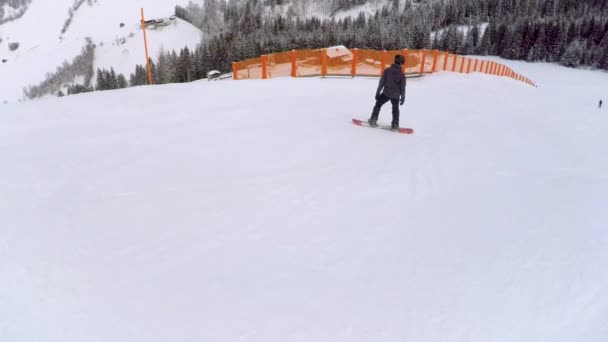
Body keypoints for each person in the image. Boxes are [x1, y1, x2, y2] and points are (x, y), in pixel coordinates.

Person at [368, 54, 406, 130]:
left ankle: (373, 119)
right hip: (395, 96)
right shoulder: (402, 74)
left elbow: (381, 82)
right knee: (395, 110)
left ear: (394, 61)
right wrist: (403, 97)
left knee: (378, 105)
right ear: (402, 63)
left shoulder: (387, 71)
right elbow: (403, 87)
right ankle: (395, 124)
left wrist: (378, 93)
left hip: (386, 93)